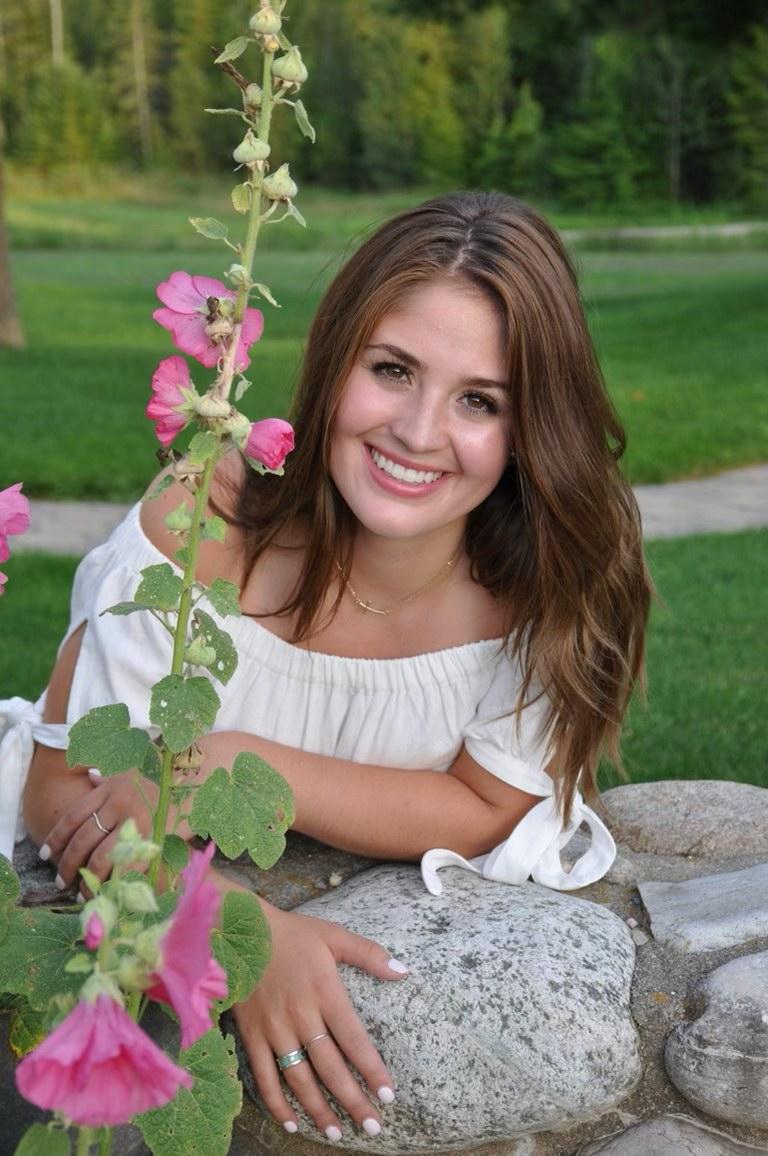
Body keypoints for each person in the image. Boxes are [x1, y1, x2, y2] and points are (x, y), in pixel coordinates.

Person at [4, 191, 652, 1141]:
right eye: (392, 370)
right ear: (333, 359)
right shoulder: (214, 512)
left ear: (528, 431)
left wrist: (236, 768)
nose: (421, 431)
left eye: (480, 401)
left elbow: (486, 803)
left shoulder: (546, 591)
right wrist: (238, 931)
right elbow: (66, 787)